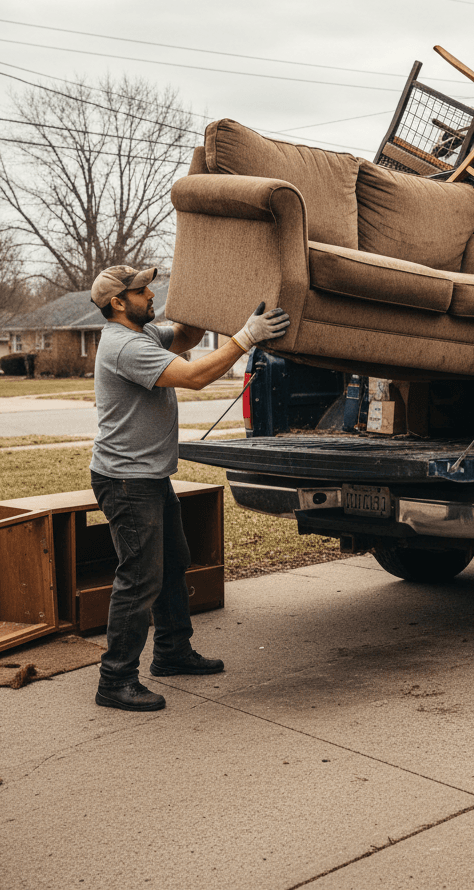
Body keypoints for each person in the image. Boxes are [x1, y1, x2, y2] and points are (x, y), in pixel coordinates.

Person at [89, 265, 289, 711]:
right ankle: (115, 679)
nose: (151, 294)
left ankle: (172, 652)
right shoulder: (125, 346)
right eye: (143, 291)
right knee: (139, 578)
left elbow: (184, 335)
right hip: (126, 480)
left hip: (147, 476)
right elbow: (196, 375)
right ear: (118, 303)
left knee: (173, 560)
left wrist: (205, 300)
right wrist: (246, 338)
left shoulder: (141, 336)